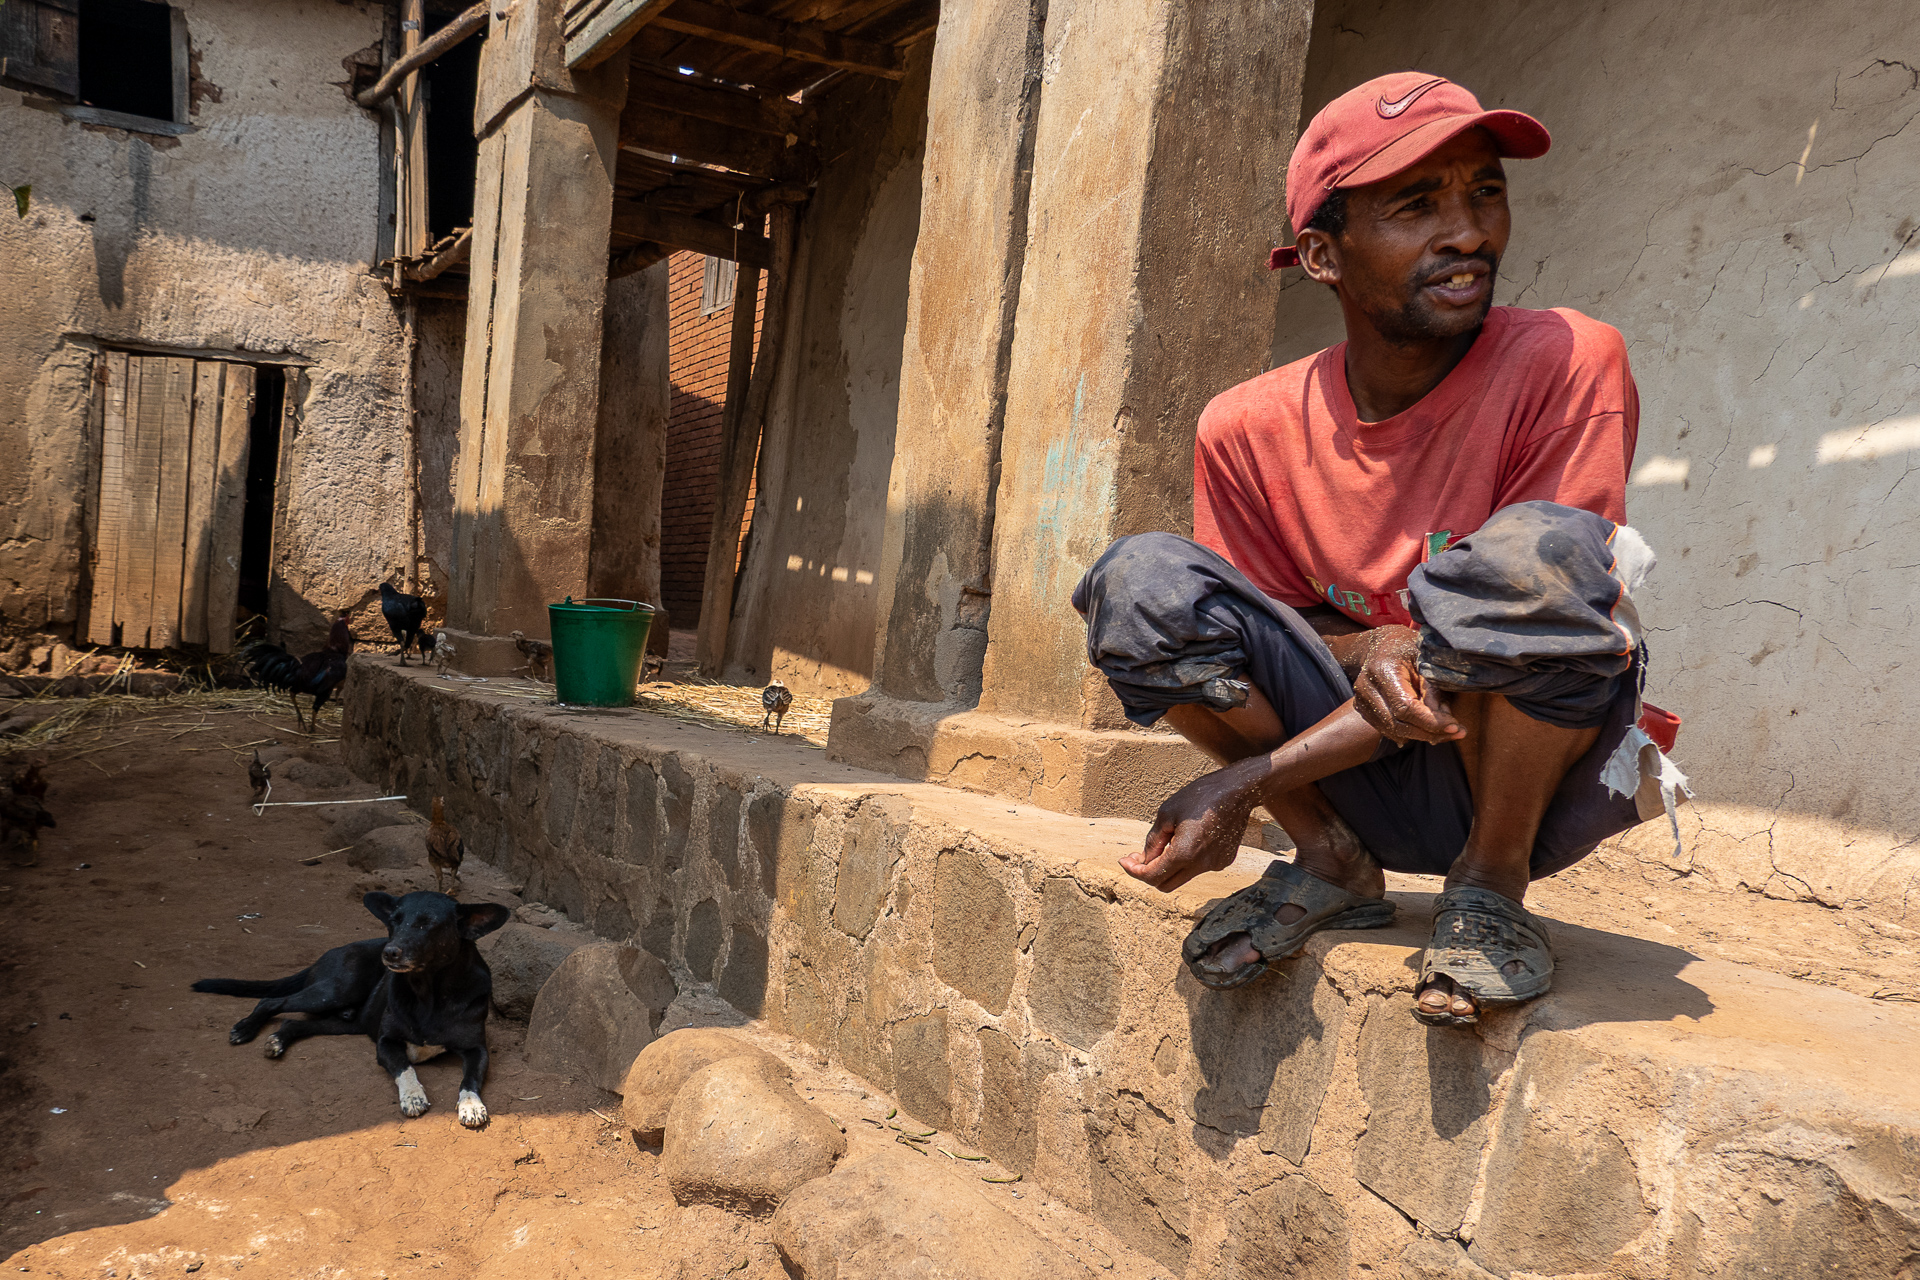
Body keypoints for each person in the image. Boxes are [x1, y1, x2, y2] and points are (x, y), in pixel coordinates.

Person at [1074, 72, 1680, 1026]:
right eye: (1416, 205)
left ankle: (1489, 886)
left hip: (1511, 766)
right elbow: (1274, 628)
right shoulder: (1246, 425)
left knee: (1539, 556)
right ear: (1322, 253)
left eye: (1485, 192)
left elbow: (1531, 611)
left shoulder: (1567, 359)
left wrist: (1243, 783)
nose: (1469, 233)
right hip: (1346, 776)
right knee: (1141, 581)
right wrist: (1376, 647)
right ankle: (1332, 861)